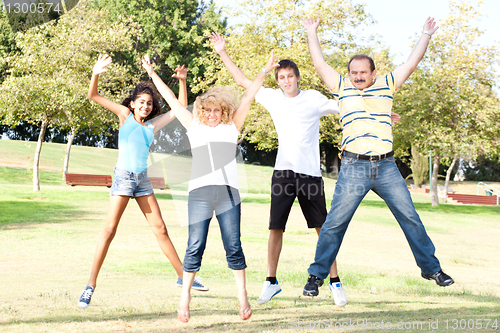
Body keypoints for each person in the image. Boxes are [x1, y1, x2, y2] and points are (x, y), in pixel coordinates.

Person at [209, 32, 379, 307]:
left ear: (298, 77)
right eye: (281, 77)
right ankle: (270, 282)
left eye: (290, 76)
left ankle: (335, 282)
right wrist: (222, 52)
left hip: (310, 174)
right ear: (278, 81)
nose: (286, 81)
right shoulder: (273, 99)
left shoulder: (313, 99)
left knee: (324, 230)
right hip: (283, 174)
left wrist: (379, 110)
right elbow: (243, 80)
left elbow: (347, 104)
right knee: (276, 228)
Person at [301, 17, 454, 297]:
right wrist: (312, 32)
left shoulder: (388, 85)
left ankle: (431, 268)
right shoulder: (342, 87)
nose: (358, 76)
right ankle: (316, 276)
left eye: (363, 72)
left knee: (410, 216)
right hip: (353, 166)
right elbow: (320, 64)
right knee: (334, 223)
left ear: (374, 73)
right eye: (353, 72)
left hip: (386, 166)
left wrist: (425, 34)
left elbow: (411, 62)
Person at [142, 50, 279, 322]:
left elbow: (250, 94)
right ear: (201, 111)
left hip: (228, 194)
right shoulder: (194, 126)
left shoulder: (232, 126)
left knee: (234, 246)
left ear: (224, 111)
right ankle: (186, 298)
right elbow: (170, 98)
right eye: (207, 110)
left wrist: (264, 70)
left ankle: (242, 296)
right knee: (195, 246)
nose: (212, 114)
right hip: (200, 195)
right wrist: (151, 73)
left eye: (217, 110)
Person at [78, 55, 207, 309]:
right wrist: (95, 73)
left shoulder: (151, 126)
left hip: (143, 181)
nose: (146, 106)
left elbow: (179, 108)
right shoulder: (124, 115)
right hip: (123, 177)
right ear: (134, 103)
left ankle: (183, 277)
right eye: (142, 102)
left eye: (149, 103)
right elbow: (93, 96)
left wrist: (182, 81)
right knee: (109, 231)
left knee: (160, 229)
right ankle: (90, 286)